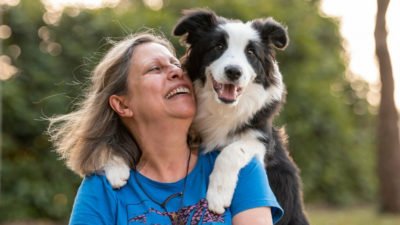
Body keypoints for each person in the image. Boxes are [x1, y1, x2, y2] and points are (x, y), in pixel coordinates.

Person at [48, 32, 283, 225]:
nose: (177, 72)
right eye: (154, 69)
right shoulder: (101, 188)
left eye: (174, 64)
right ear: (122, 104)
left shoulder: (239, 163)